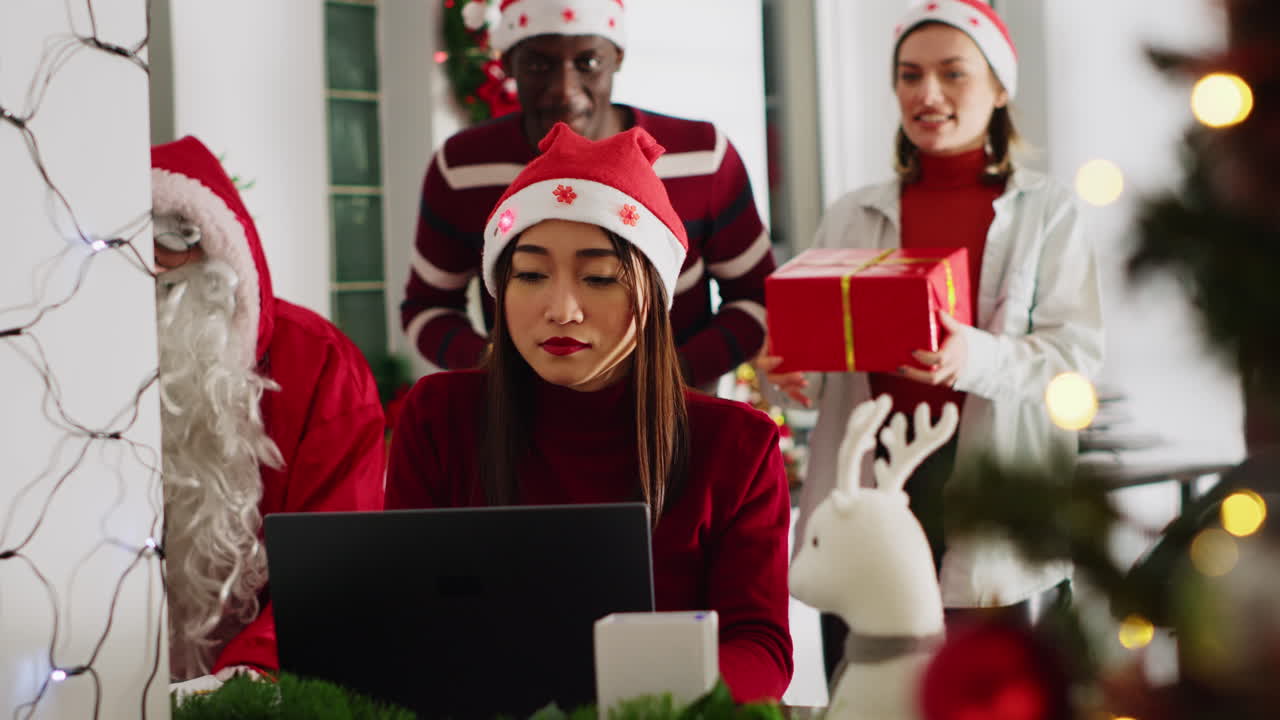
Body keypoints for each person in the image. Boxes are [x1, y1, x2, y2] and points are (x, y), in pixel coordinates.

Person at [386, 123, 794, 701]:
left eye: (599, 277)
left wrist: (652, 702)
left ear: (653, 293)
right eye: (529, 274)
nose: (561, 309)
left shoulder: (737, 445)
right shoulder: (439, 417)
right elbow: (399, 613)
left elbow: (761, 647)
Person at [757, 0, 1103, 673]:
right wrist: (790, 373)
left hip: (989, 496)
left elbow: (1075, 363)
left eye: (954, 74)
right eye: (910, 76)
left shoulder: (1049, 212)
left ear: (1000, 88)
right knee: (869, 699)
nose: (928, 94)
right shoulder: (851, 213)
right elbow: (824, 363)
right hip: (876, 490)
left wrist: (971, 355)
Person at [401, 0, 775, 391]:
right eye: (538, 65)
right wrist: (499, 369)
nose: (564, 90)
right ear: (507, 62)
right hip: (525, 427)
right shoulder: (463, 167)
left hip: (681, 420)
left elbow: (759, 298)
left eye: (588, 63)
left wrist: (670, 375)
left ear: (618, 57)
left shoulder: (701, 156)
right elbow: (428, 308)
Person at [151, 137, 387, 686]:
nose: (153, 261)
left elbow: (336, 562)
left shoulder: (319, 363)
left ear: (224, 248)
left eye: (175, 232)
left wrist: (248, 679)